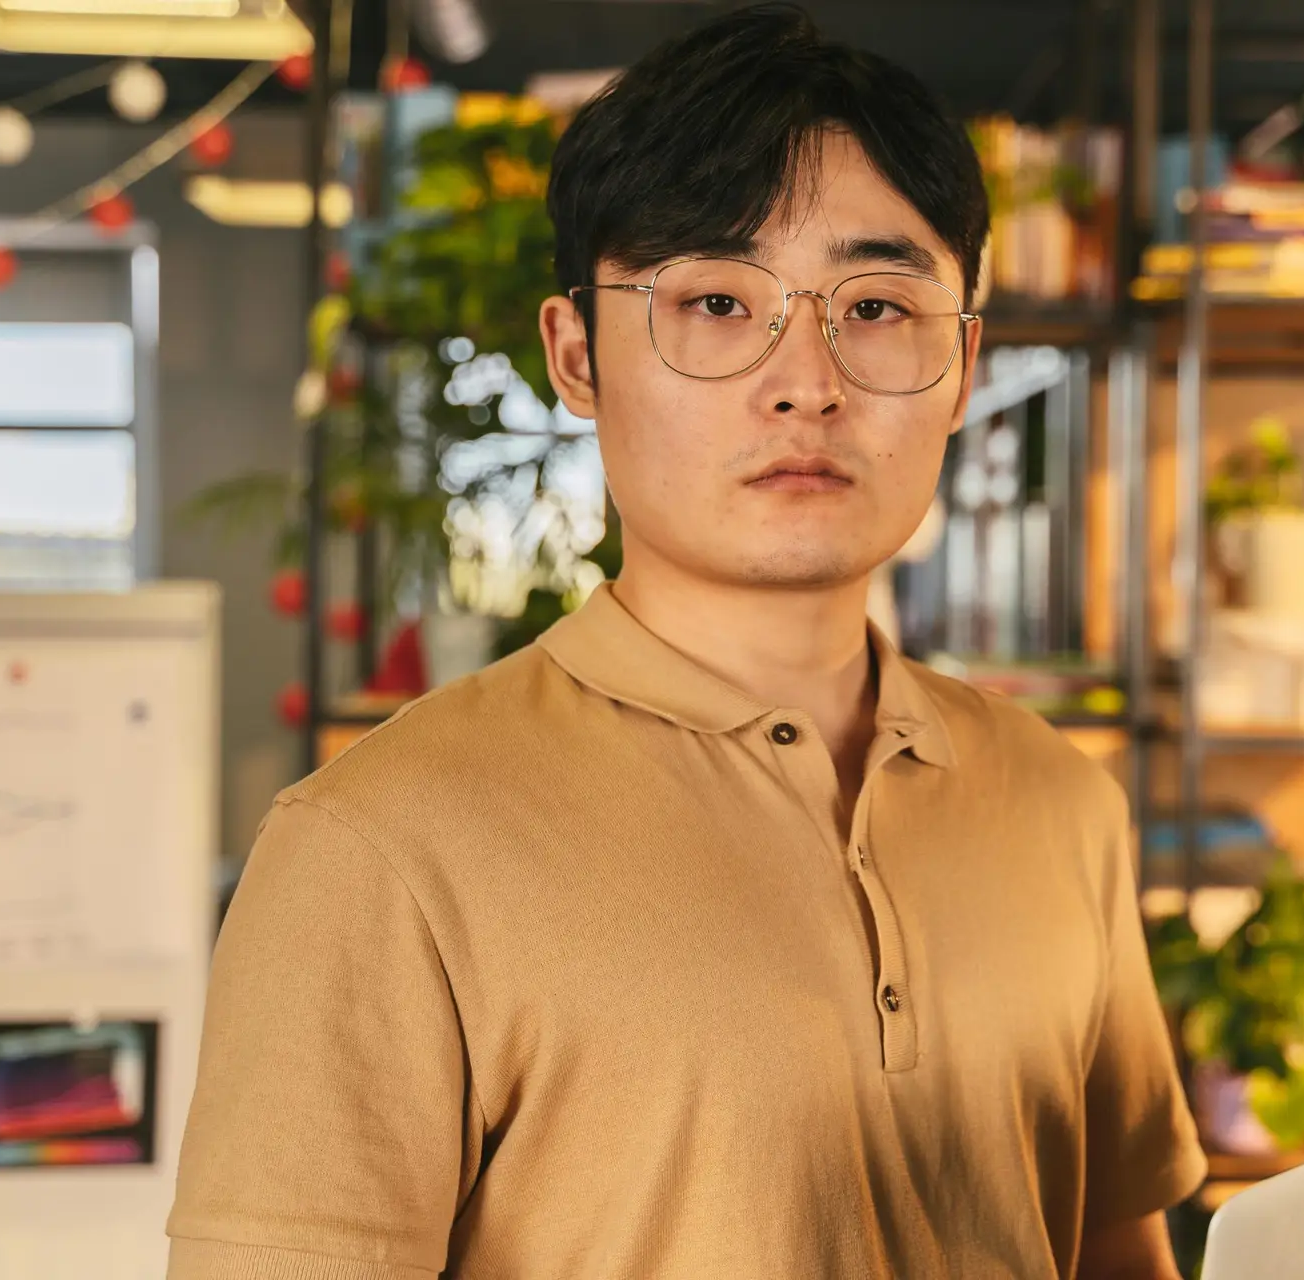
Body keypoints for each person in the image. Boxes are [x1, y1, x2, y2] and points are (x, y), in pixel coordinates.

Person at [165, 6, 1205, 1278]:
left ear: (965, 368)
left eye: (879, 306)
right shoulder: (377, 848)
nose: (807, 379)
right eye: (716, 299)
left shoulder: (1059, 801)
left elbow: (1113, 1254)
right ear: (575, 356)